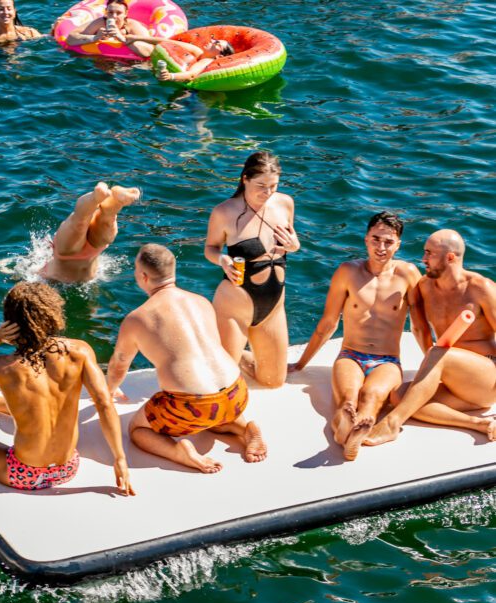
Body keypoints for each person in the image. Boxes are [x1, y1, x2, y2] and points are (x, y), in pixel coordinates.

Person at [0, 282, 135, 494]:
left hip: (23, 474)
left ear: (11, 323)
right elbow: (104, 403)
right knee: (40, 404)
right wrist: (120, 458)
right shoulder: (80, 351)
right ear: (53, 314)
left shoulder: (4, 367)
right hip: (67, 469)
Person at [107, 244, 267, 473]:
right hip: (236, 393)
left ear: (142, 276)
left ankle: (179, 452)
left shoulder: (137, 318)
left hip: (191, 406)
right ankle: (244, 428)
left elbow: (119, 365)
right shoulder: (200, 301)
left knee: (138, 430)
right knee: (214, 413)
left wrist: (110, 390)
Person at [288, 212, 426, 461]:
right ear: (365, 239)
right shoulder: (348, 272)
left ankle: (353, 435)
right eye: (376, 239)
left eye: (388, 242)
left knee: (371, 397)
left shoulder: (408, 274)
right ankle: (347, 434)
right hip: (351, 355)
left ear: (398, 244)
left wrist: (432, 366)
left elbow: (419, 327)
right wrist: (301, 363)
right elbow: (328, 323)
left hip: (387, 361)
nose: (381, 247)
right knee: (348, 401)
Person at [367, 229, 496, 444]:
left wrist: (435, 358)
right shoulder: (425, 287)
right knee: (399, 396)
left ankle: (392, 424)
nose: (423, 259)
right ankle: (479, 424)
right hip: (454, 378)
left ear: (450, 258)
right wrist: (429, 370)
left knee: (441, 354)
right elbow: (419, 330)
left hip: (488, 378)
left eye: (429, 253)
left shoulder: (481, 288)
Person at [204, 151, 299, 388]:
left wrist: (295, 246)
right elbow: (210, 248)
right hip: (235, 307)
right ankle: (225, 355)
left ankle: (233, 355)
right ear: (245, 178)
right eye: (261, 186)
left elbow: (292, 241)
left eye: (273, 186)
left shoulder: (285, 203)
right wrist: (222, 260)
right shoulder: (225, 212)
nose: (267, 193)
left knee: (274, 381)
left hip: (273, 306)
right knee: (222, 381)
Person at [40, 182, 140, 283]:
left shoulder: (39, 275)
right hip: (93, 251)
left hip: (65, 255)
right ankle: (116, 200)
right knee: (105, 221)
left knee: (80, 222)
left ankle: (96, 197)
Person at [62, 0, 152, 58]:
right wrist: (94, 38)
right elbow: (71, 38)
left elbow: (148, 51)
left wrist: (121, 38)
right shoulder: (100, 23)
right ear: (106, 12)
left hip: (128, 61)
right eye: (110, 12)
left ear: (125, 14)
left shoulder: (132, 26)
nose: (114, 16)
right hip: (101, 59)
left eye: (119, 13)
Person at [121, 35, 235, 79]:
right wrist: (136, 37)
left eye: (217, 44)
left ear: (219, 56)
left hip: (193, 92)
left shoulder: (206, 61)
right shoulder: (198, 51)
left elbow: (191, 75)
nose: (212, 41)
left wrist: (170, 76)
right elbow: (166, 41)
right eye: (215, 40)